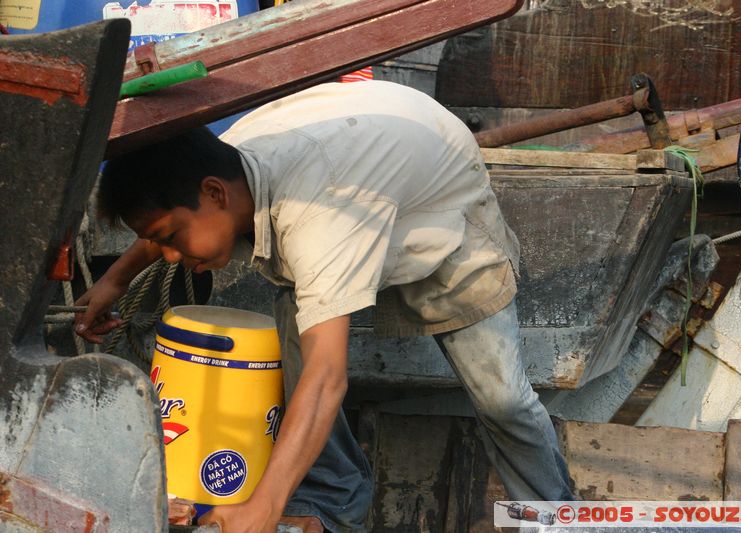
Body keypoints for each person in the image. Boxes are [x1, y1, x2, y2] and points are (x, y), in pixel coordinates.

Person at [75, 80, 574, 532]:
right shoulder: (229, 164)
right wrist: (113, 282)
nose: (168, 257)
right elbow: (173, 218)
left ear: (215, 193)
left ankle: (556, 517)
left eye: (169, 240)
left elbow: (327, 379)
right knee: (303, 319)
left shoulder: (316, 218)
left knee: (502, 401)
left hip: (442, 205)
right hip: (362, 171)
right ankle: (331, 504)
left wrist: (263, 508)